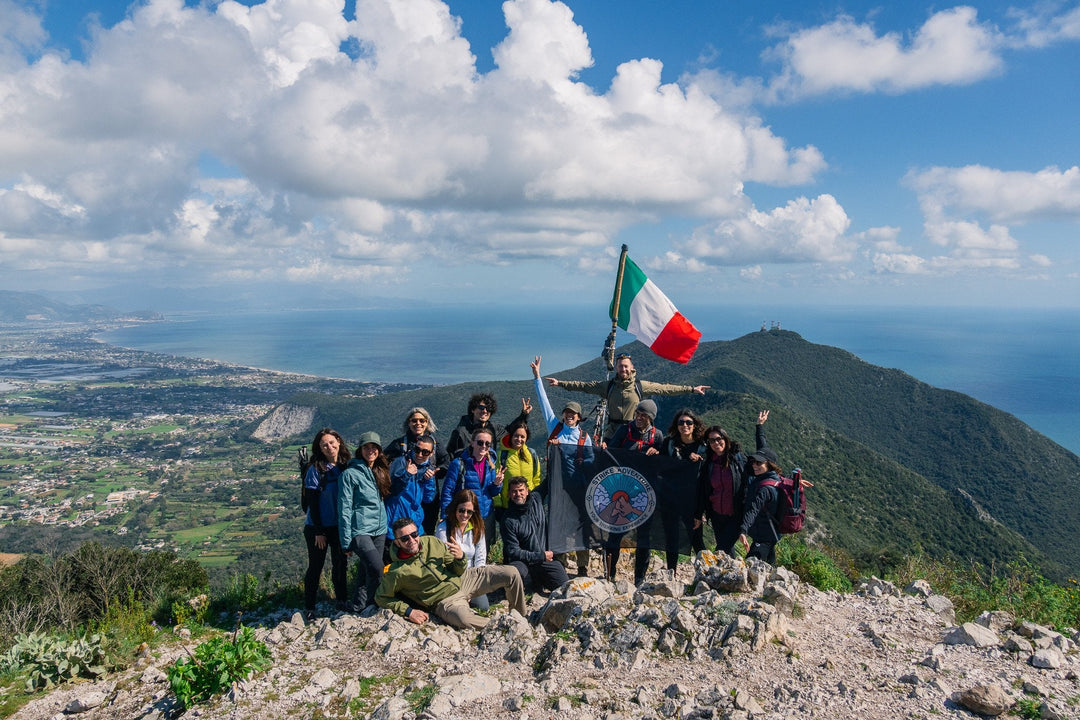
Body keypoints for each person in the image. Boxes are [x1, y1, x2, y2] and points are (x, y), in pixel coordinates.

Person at [375, 517, 526, 630]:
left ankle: (520, 617)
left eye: (414, 534)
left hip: (462, 579)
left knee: (511, 572)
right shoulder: (396, 571)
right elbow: (381, 597)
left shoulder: (431, 542)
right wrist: (409, 611)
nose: (411, 540)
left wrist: (460, 558)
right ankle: (507, 628)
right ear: (397, 542)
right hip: (443, 601)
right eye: (404, 538)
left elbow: (457, 569)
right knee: (464, 618)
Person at [543, 352, 709, 440]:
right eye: (620, 366)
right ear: (616, 368)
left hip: (633, 431)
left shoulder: (640, 386)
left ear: (632, 368)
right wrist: (561, 383)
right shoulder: (608, 387)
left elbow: (665, 389)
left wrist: (692, 389)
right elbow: (584, 386)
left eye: (626, 366)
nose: (623, 369)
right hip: (612, 432)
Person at [531, 355, 594, 577]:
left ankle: (583, 567)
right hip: (557, 484)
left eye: (573, 414)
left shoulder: (584, 437)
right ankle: (560, 564)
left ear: (578, 418)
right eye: (567, 413)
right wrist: (537, 377)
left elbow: (590, 462)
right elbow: (543, 404)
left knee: (581, 524)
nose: (569, 416)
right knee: (558, 522)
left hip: (577, 485)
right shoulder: (554, 429)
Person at [606, 401, 663, 584]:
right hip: (623, 490)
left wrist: (657, 453)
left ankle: (639, 578)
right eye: (637, 413)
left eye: (643, 415)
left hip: (644, 495)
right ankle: (610, 574)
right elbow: (612, 453)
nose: (638, 418)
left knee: (643, 537)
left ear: (651, 418)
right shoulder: (624, 431)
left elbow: (664, 462)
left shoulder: (658, 436)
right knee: (615, 533)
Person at [698, 412, 768, 557]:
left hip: (736, 514)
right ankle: (734, 576)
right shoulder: (708, 464)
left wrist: (759, 427)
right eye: (711, 441)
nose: (716, 443)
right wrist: (701, 512)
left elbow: (763, 457)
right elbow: (704, 490)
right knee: (727, 552)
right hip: (717, 515)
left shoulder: (738, 459)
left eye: (719, 439)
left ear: (725, 439)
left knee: (720, 550)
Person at [338, 431, 390, 612]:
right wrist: (345, 542)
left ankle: (359, 605)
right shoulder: (349, 475)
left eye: (374, 447)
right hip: (360, 530)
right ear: (360, 450)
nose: (371, 450)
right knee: (377, 568)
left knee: (365, 570)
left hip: (380, 528)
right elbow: (344, 509)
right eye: (367, 447)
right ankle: (375, 604)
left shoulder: (379, 472)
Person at [302, 428, 350, 620]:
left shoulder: (346, 466)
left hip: (339, 526)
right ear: (319, 448)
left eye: (332, 442)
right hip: (317, 527)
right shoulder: (315, 469)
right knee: (316, 566)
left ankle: (341, 601)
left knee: (341, 564)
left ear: (338, 441)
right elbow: (312, 503)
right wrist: (319, 531)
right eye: (324, 445)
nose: (329, 447)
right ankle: (309, 606)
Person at [384, 408, 450, 535]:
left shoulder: (435, 443)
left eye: (422, 420)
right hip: (403, 500)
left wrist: (436, 472)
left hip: (426, 495)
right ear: (408, 423)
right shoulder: (399, 444)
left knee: (426, 531)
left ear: (427, 422)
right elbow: (383, 460)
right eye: (414, 420)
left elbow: (446, 461)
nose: (418, 423)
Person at [500, 476, 570, 593]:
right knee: (516, 574)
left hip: (543, 560)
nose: (518, 494)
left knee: (564, 586)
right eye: (514, 491)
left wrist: (552, 462)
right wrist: (540, 556)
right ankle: (524, 583)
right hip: (524, 562)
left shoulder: (536, 498)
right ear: (509, 494)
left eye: (521, 490)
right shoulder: (508, 520)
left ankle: (539, 580)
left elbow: (550, 479)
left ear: (527, 491)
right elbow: (513, 552)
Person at [440, 427, 505, 550]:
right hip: (466, 515)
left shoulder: (490, 463)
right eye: (480, 442)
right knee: (465, 550)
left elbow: (492, 492)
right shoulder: (459, 464)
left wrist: (497, 484)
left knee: (484, 550)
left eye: (487, 444)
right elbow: (447, 491)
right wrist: (445, 515)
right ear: (472, 442)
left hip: (486, 514)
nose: (484, 446)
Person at [435, 489, 489, 611]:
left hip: (472, 576)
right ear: (455, 508)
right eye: (461, 510)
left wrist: (474, 586)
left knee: (483, 607)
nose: (465, 515)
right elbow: (444, 561)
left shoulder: (478, 528)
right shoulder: (444, 528)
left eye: (469, 512)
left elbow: (480, 559)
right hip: (451, 576)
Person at [493, 406, 542, 532]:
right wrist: (498, 506)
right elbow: (495, 481)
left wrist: (536, 499)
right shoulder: (501, 455)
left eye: (522, 437)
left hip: (528, 505)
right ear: (511, 436)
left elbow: (536, 478)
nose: (519, 439)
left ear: (526, 438)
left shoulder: (532, 454)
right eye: (516, 436)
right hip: (508, 506)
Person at [386, 433, 438, 551]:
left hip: (415, 527)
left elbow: (428, 499)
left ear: (431, 453)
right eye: (417, 450)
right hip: (394, 526)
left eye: (425, 452)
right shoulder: (401, 463)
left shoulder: (428, 469)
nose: (419, 454)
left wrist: (428, 481)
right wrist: (407, 474)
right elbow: (391, 491)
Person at [737, 445, 785, 565]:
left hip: (764, 536)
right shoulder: (776, 480)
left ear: (769, 465)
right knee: (770, 569)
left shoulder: (765, 489)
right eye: (753, 462)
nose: (754, 465)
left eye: (759, 463)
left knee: (750, 565)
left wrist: (743, 530)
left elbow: (754, 509)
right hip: (772, 534)